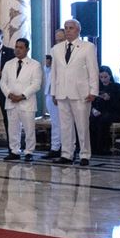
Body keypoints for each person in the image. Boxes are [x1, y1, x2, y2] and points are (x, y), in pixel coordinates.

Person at [48, 19, 99, 166]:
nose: (68, 31)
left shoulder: (87, 47)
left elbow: (93, 70)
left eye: (71, 28)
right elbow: (54, 72)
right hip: (62, 92)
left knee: (82, 125)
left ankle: (84, 154)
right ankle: (67, 153)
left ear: (78, 30)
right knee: (65, 125)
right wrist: (54, 92)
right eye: (66, 28)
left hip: (81, 93)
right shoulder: (56, 49)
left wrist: (94, 91)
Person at [0, 38, 42, 161]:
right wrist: (9, 94)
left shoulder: (35, 65)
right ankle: (14, 151)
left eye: (21, 47)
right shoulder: (8, 64)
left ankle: (29, 151)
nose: (17, 50)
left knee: (29, 129)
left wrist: (22, 96)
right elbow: (3, 82)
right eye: (16, 47)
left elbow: (36, 84)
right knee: (13, 128)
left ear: (27, 49)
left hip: (26, 102)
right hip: (11, 101)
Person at [89, 66, 120, 155]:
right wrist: (93, 110)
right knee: (91, 119)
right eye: (101, 77)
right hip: (99, 112)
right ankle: (92, 148)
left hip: (113, 112)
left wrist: (110, 99)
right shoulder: (96, 89)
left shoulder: (117, 87)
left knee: (103, 120)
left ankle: (103, 148)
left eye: (105, 77)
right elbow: (92, 103)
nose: (103, 80)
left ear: (110, 76)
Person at [43, 28, 65, 159]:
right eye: (57, 40)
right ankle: (55, 146)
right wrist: (47, 66)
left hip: (60, 92)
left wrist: (56, 93)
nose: (58, 42)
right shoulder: (53, 51)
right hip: (50, 91)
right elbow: (49, 74)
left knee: (61, 123)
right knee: (55, 122)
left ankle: (60, 147)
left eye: (61, 40)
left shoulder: (67, 53)